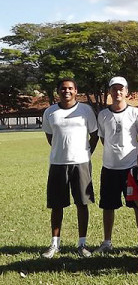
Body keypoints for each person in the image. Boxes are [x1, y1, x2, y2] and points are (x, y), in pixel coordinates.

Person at [41, 78, 99, 258]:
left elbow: (95, 135)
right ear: (58, 91)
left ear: (76, 91)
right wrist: (61, 151)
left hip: (81, 163)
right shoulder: (50, 112)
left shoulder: (85, 110)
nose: (66, 91)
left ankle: (82, 244)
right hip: (58, 164)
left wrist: (86, 152)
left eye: (70, 88)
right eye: (63, 89)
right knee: (57, 205)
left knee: (82, 203)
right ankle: (54, 244)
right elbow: (50, 136)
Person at [95, 76, 138, 254]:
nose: (117, 92)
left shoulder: (135, 113)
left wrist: (136, 159)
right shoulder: (103, 115)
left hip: (131, 168)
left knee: (137, 206)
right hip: (109, 167)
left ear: (127, 92)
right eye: (114, 89)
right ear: (109, 92)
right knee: (108, 206)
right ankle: (107, 241)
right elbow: (103, 138)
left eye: (121, 89)